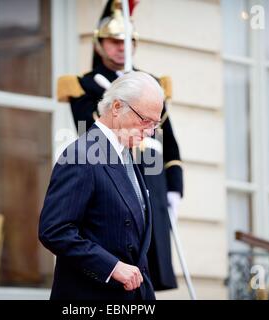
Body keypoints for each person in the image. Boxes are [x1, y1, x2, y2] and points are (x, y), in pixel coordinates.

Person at [63, 0, 183, 291]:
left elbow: (168, 140)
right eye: (114, 40)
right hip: (113, 179)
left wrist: (174, 187)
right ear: (99, 44)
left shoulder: (150, 84)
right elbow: (91, 134)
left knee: (150, 270)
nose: (121, 46)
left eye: (127, 40)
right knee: (117, 263)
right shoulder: (86, 85)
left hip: (151, 180)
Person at [39, 71, 163, 300]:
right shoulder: (81, 155)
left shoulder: (126, 156)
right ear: (116, 107)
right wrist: (112, 267)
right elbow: (54, 230)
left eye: (156, 123)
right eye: (145, 120)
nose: (150, 131)